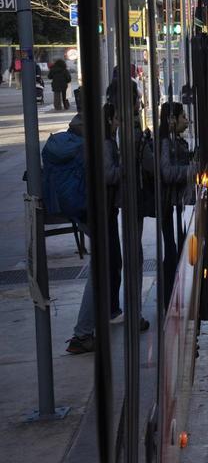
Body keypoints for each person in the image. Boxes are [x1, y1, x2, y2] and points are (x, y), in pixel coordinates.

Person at [66, 103, 148, 353]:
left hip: (106, 210)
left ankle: (112, 310)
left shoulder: (106, 141)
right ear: (108, 120)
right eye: (116, 119)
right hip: (100, 212)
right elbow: (108, 175)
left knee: (112, 263)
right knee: (101, 269)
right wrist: (128, 165)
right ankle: (82, 334)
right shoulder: (104, 144)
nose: (119, 123)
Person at [147, 102, 195, 308]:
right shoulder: (166, 142)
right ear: (172, 120)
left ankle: (172, 296)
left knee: (176, 249)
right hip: (169, 204)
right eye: (183, 116)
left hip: (176, 203)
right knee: (172, 250)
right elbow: (166, 172)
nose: (187, 120)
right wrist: (191, 170)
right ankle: (169, 297)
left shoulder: (175, 141)